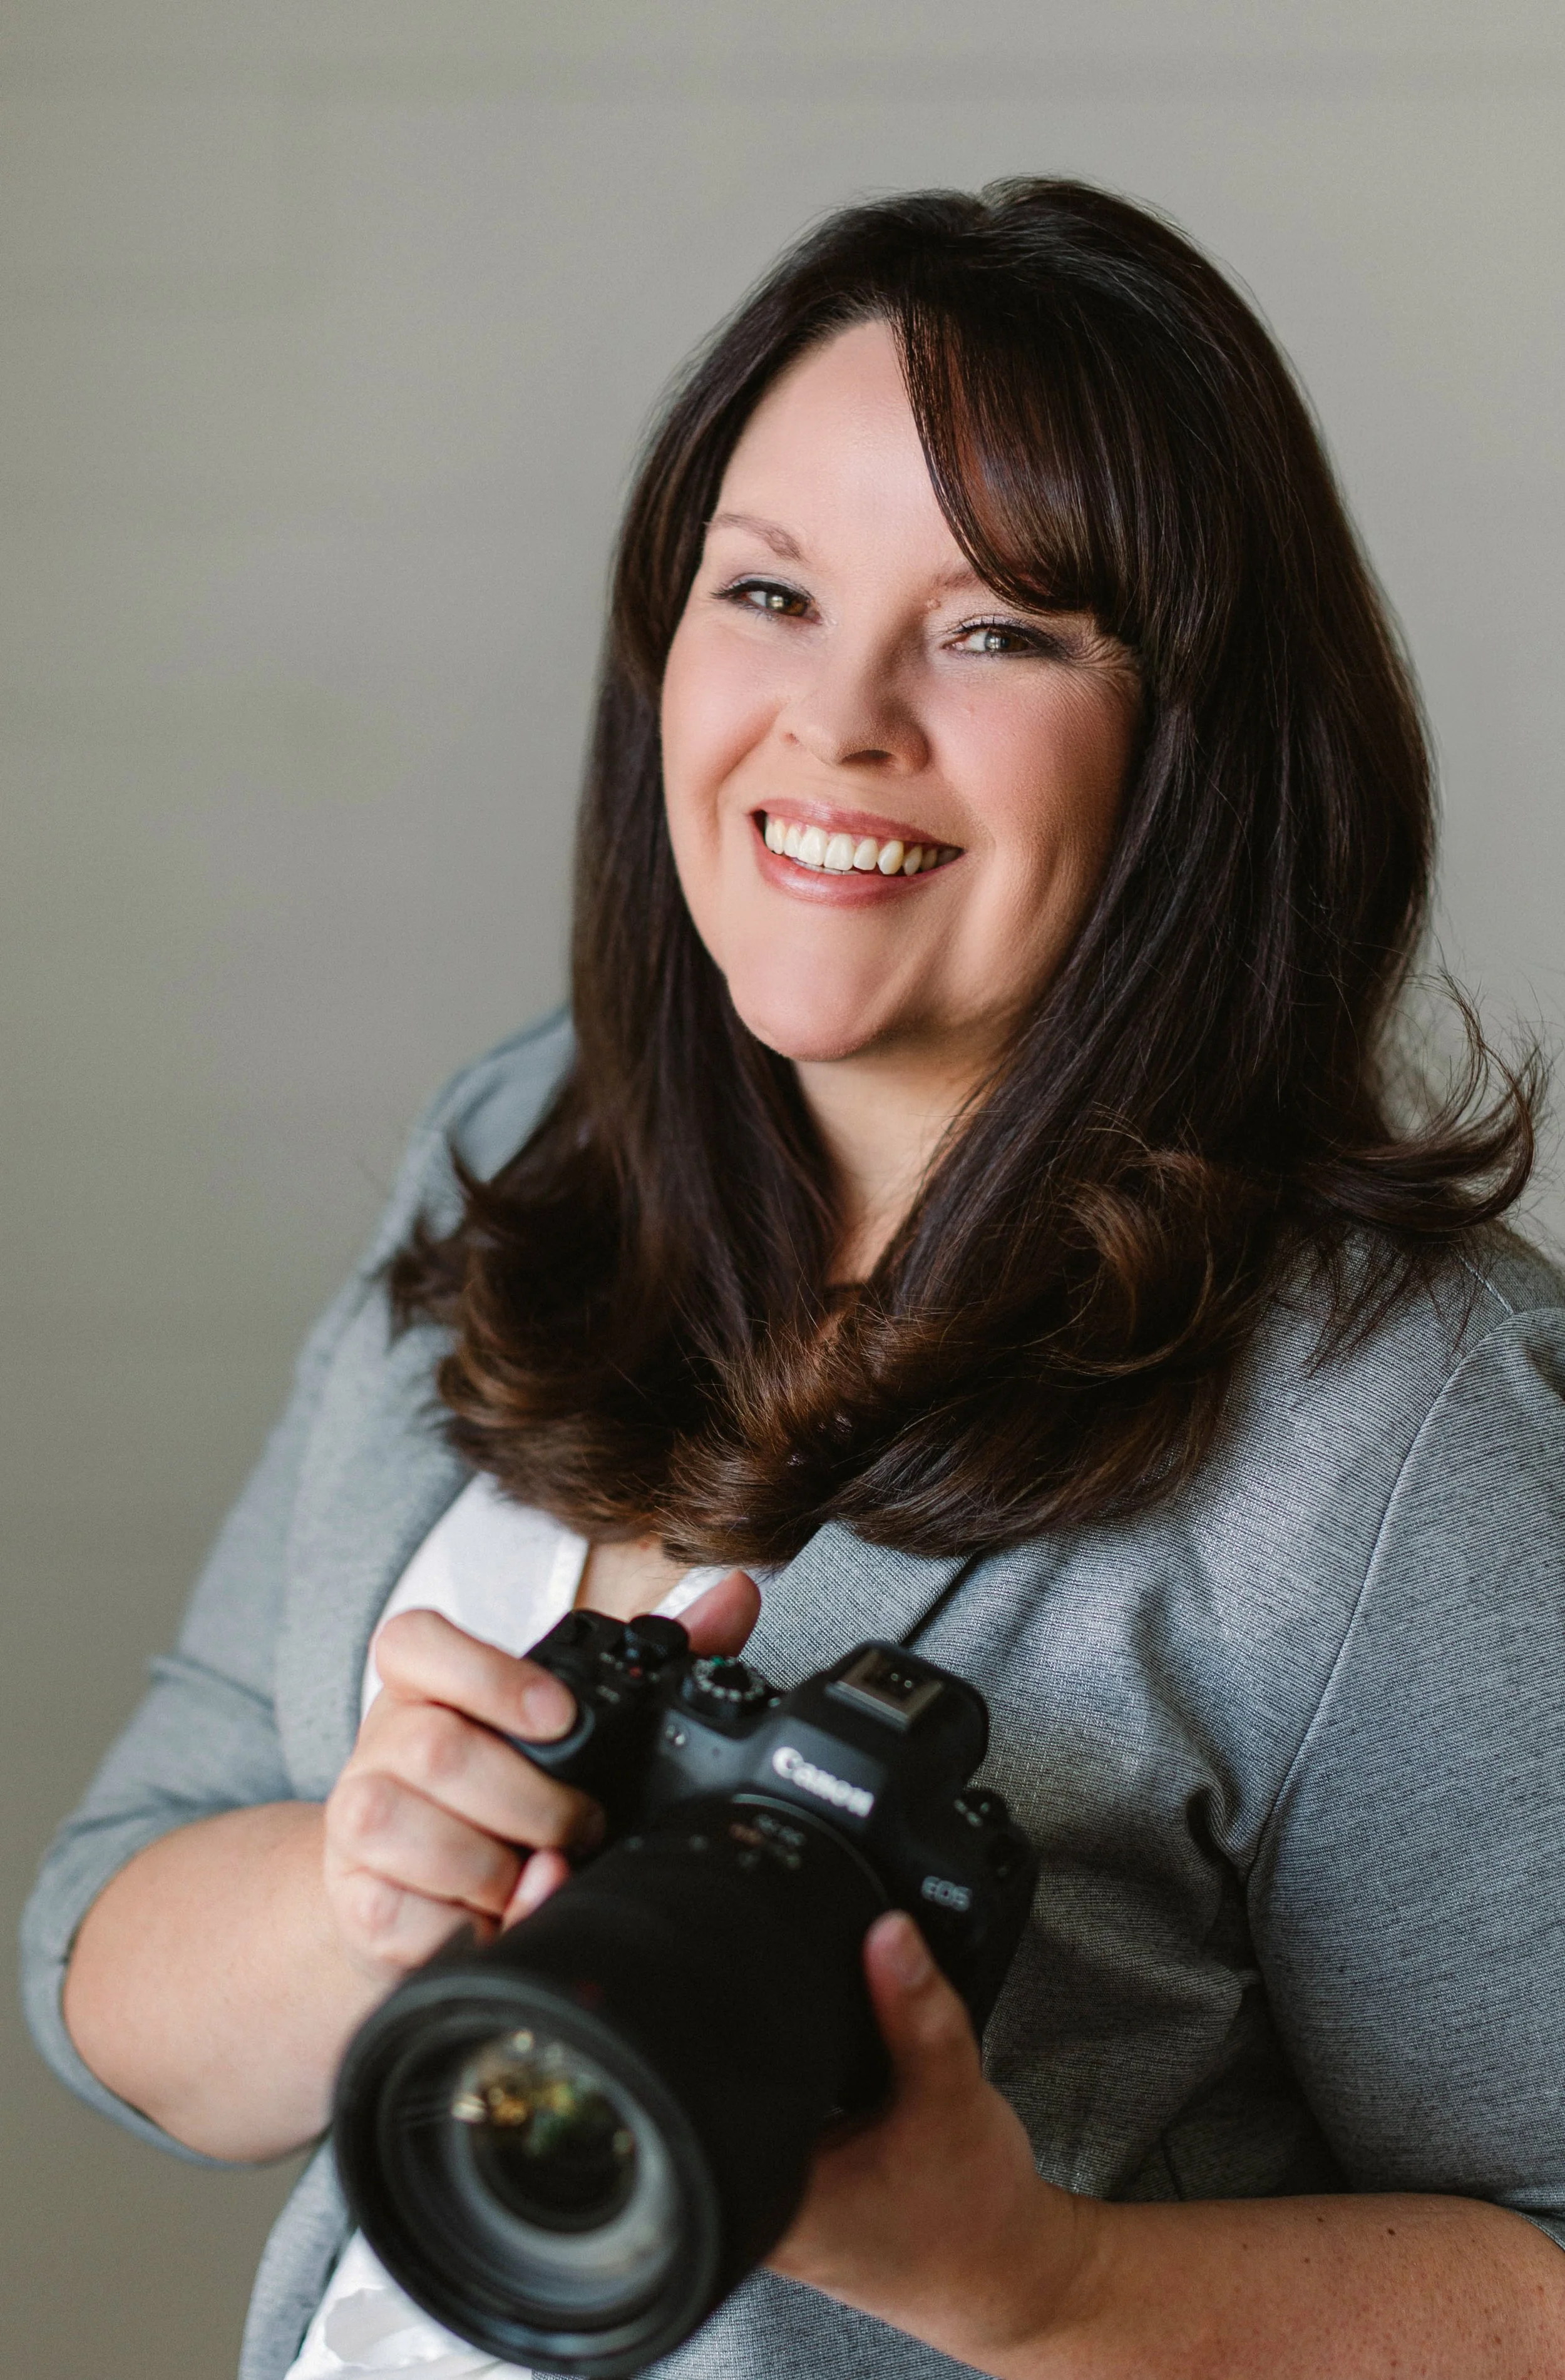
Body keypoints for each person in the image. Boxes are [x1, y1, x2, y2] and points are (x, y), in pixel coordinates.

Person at [21, 177, 1565, 2380]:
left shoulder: (1390, 1424)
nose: (837, 721)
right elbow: (104, 1956)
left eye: (999, 628)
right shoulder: (530, 1151)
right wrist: (367, 1900)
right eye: (767, 590)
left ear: (1195, 738)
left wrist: (1045, 2285)